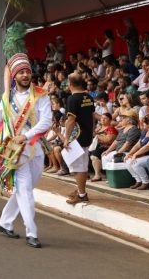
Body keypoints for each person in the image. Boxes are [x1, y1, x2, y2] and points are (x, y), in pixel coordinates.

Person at [0, 23, 52, 248]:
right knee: (24, 190)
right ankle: (32, 233)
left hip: (35, 150)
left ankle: (5, 222)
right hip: (15, 152)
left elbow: (46, 121)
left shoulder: (41, 95)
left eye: (27, 71)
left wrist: (27, 135)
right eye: (20, 72)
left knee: (28, 189)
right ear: (14, 75)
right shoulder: (6, 99)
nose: (24, 75)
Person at [64, 73, 95, 205]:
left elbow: (71, 120)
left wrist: (66, 138)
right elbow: (92, 116)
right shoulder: (88, 97)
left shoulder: (72, 99)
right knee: (80, 164)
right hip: (87, 135)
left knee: (79, 167)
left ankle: (82, 195)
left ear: (70, 85)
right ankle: (79, 189)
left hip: (77, 137)